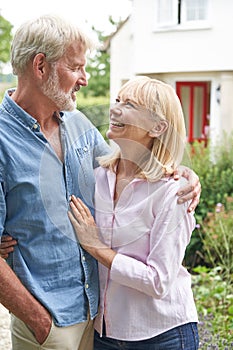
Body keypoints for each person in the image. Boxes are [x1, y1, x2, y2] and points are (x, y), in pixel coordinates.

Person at [0, 14, 200, 350]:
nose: (84, 79)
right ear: (41, 66)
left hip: (99, 321)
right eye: (76, 67)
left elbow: (131, 167)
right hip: (49, 324)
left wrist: (185, 174)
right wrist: (39, 322)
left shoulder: (78, 124)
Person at [68, 76, 200, 350]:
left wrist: (95, 246)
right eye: (117, 100)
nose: (115, 109)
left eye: (129, 104)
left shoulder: (172, 192)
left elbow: (158, 281)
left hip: (162, 336)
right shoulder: (97, 178)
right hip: (105, 333)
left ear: (157, 126)